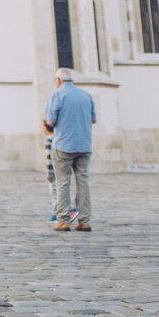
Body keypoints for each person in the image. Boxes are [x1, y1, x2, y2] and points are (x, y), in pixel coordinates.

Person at [43, 67, 96, 232]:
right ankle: (84, 221)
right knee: (83, 182)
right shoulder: (86, 96)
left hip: (64, 145)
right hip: (84, 144)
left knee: (62, 183)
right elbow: (93, 119)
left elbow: (50, 122)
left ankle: (64, 220)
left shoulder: (57, 95)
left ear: (58, 80)